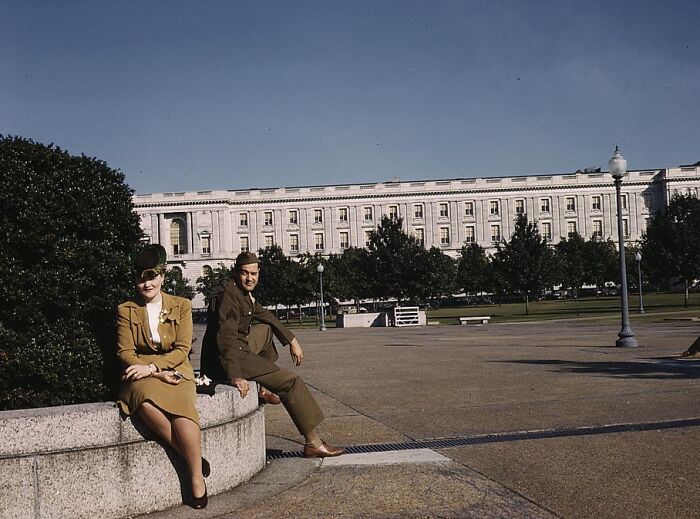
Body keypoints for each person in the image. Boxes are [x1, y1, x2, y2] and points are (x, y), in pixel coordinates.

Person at [201, 251, 345, 458]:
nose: (250, 278)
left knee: (266, 330)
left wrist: (292, 341)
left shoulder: (241, 293)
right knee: (291, 381)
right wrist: (235, 376)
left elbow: (267, 316)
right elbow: (226, 340)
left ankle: (262, 389)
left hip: (237, 348)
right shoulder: (229, 297)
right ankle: (313, 442)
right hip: (228, 357)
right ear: (236, 273)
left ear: (259, 273)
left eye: (254, 274)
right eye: (244, 273)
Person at [116, 245, 209, 509]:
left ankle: (195, 478)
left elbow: (182, 349)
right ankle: (193, 458)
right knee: (143, 401)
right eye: (141, 278)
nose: (147, 284)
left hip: (176, 367)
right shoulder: (126, 309)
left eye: (152, 277)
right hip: (140, 373)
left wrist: (157, 370)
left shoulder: (181, 305)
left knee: (182, 411)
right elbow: (125, 351)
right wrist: (151, 372)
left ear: (163, 277)